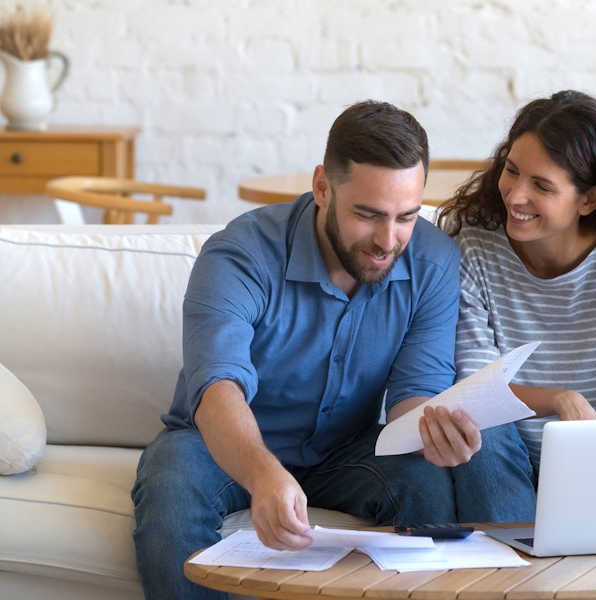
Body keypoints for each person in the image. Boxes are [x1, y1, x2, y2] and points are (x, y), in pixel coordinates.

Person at [132, 100, 535, 600]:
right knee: (171, 484)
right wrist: (264, 476)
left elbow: (414, 393)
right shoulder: (239, 253)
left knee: (425, 481)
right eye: (367, 215)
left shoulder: (433, 260)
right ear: (323, 186)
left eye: (406, 216)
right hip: (217, 446)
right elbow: (218, 388)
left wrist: (433, 429)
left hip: (347, 450)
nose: (388, 240)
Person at [437, 90, 596, 475]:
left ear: (588, 200)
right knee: (479, 435)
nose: (515, 195)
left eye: (542, 185)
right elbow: (476, 388)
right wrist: (558, 399)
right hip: (497, 449)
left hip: (591, 458)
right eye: (512, 170)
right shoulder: (471, 240)